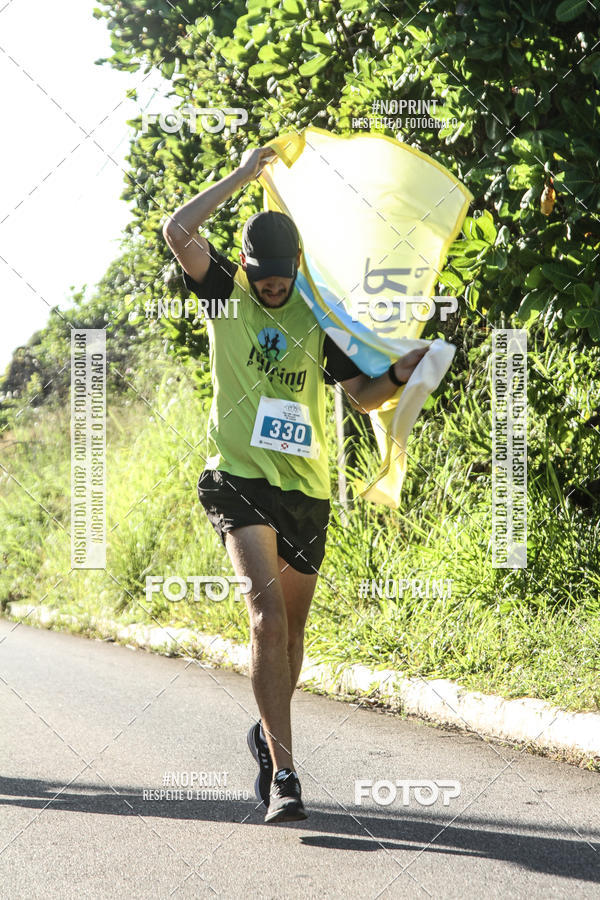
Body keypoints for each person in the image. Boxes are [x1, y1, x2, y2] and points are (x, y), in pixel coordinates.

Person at [162, 145, 428, 824]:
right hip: (238, 477)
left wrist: (398, 374)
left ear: (298, 269)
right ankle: (286, 774)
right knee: (267, 617)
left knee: (295, 637)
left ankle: (266, 730)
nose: (274, 288)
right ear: (247, 268)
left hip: (306, 489)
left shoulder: (317, 315)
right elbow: (177, 231)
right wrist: (246, 175)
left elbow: (363, 396)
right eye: (265, 278)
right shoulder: (224, 293)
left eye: (284, 278)